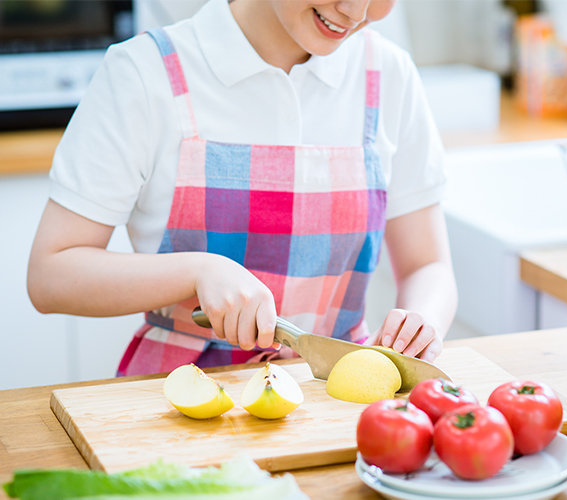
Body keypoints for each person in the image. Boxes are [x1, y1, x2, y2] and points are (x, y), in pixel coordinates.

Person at [26, 0, 457, 376]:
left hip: (333, 391)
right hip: (178, 398)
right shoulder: (144, 72)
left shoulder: (390, 74)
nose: (357, 11)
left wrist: (420, 323)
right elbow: (52, 275)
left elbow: (428, 265)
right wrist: (199, 271)